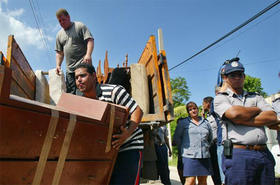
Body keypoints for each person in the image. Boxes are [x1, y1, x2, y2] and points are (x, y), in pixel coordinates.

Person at [74, 63, 144, 185]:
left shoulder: (114, 91)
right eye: (76, 77)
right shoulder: (82, 102)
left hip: (129, 145)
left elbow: (137, 111)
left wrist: (127, 134)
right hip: (108, 151)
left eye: (83, 76)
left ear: (94, 76)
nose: (79, 80)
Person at [214, 58, 280, 185]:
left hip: (263, 153)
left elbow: (272, 116)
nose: (237, 78)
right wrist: (257, 109)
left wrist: (241, 120)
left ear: (244, 76)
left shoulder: (256, 96)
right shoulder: (220, 98)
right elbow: (234, 114)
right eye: (233, 75)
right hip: (239, 155)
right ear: (226, 78)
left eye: (240, 74)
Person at [56, 8, 94, 94]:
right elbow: (59, 52)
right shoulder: (59, 35)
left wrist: (88, 54)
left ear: (68, 17)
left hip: (83, 66)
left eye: (63, 20)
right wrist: (58, 65)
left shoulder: (79, 26)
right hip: (70, 70)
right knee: (71, 94)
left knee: (85, 92)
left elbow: (90, 40)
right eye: (59, 21)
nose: (62, 22)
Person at [173, 101, 212, 185]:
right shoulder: (183, 123)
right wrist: (184, 149)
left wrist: (205, 147)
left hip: (204, 155)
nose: (193, 111)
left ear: (197, 109)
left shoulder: (206, 122)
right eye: (190, 110)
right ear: (188, 112)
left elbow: (210, 138)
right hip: (189, 156)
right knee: (190, 181)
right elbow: (177, 138)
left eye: (194, 108)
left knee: (203, 181)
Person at [202, 96, 222, 185]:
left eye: (203, 104)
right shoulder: (207, 117)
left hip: (218, 144)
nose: (202, 106)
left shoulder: (216, 115)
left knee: (220, 168)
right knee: (213, 169)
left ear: (208, 104)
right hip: (211, 146)